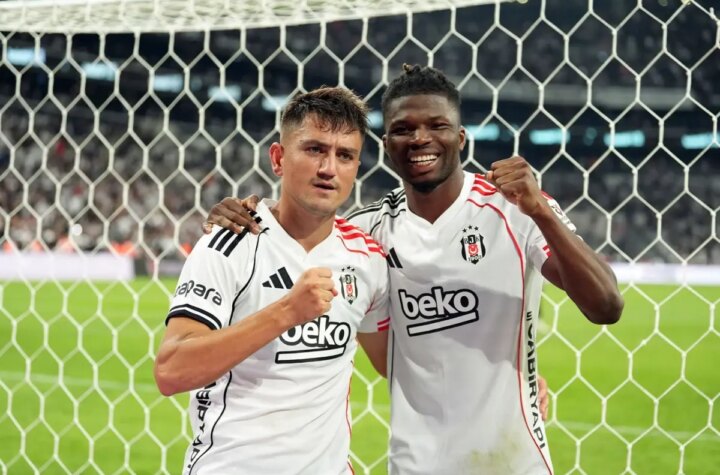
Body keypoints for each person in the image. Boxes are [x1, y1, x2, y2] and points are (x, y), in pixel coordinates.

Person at [206, 65, 615, 474]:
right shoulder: (369, 234)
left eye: (437, 125)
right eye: (404, 129)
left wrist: (541, 211)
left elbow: (606, 305)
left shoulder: (513, 207)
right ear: (386, 145)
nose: (420, 138)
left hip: (514, 464)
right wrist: (243, 213)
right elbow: (389, 358)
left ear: (460, 137)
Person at [153, 87, 392, 475]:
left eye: (345, 155)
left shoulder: (368, 258)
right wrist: (286, 312)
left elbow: (395, 364)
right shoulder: (230, 242)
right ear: (278, 158)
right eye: (314, 149)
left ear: (356, 168)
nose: (329, 168)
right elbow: (171, 370)